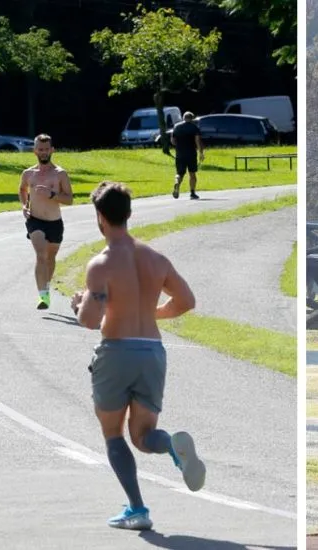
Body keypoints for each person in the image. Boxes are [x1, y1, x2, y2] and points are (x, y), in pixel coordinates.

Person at [71, 181, 205, 530]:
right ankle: (172, 447)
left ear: (100, 217)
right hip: (152, 351)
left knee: (114, 434)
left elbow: (90, 320)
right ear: (129, 214)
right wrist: (150, 312)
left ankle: (137, 509)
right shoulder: (156, 259)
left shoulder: (100, 264)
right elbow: (187, 301)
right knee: (144, 437)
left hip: (116, 351)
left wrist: (79, 304)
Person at [18, 134, 72, 309]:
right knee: (41, 255)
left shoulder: (60, 174)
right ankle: (43, 296)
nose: (44, 152)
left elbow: (69, 199)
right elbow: (22, 189)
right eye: (40, 149)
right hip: (35, 221)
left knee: (50, 258)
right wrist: (24, 205)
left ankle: (46, 288)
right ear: (35, 151)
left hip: (55, 222)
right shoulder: (28, 173)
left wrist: (52, 194)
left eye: (46, 149)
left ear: (52, 150)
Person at [170, 112, 204, 200]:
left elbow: (173, 141)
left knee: (179, 173)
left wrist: (179, 146)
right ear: (192, 119)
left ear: (183, 118)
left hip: (180, 154)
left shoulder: (176, 127)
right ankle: (192, 193)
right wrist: (201, 153)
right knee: (192, 174)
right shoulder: (194, 127)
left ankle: (177, 182)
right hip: (191, 153)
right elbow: (197, 141)